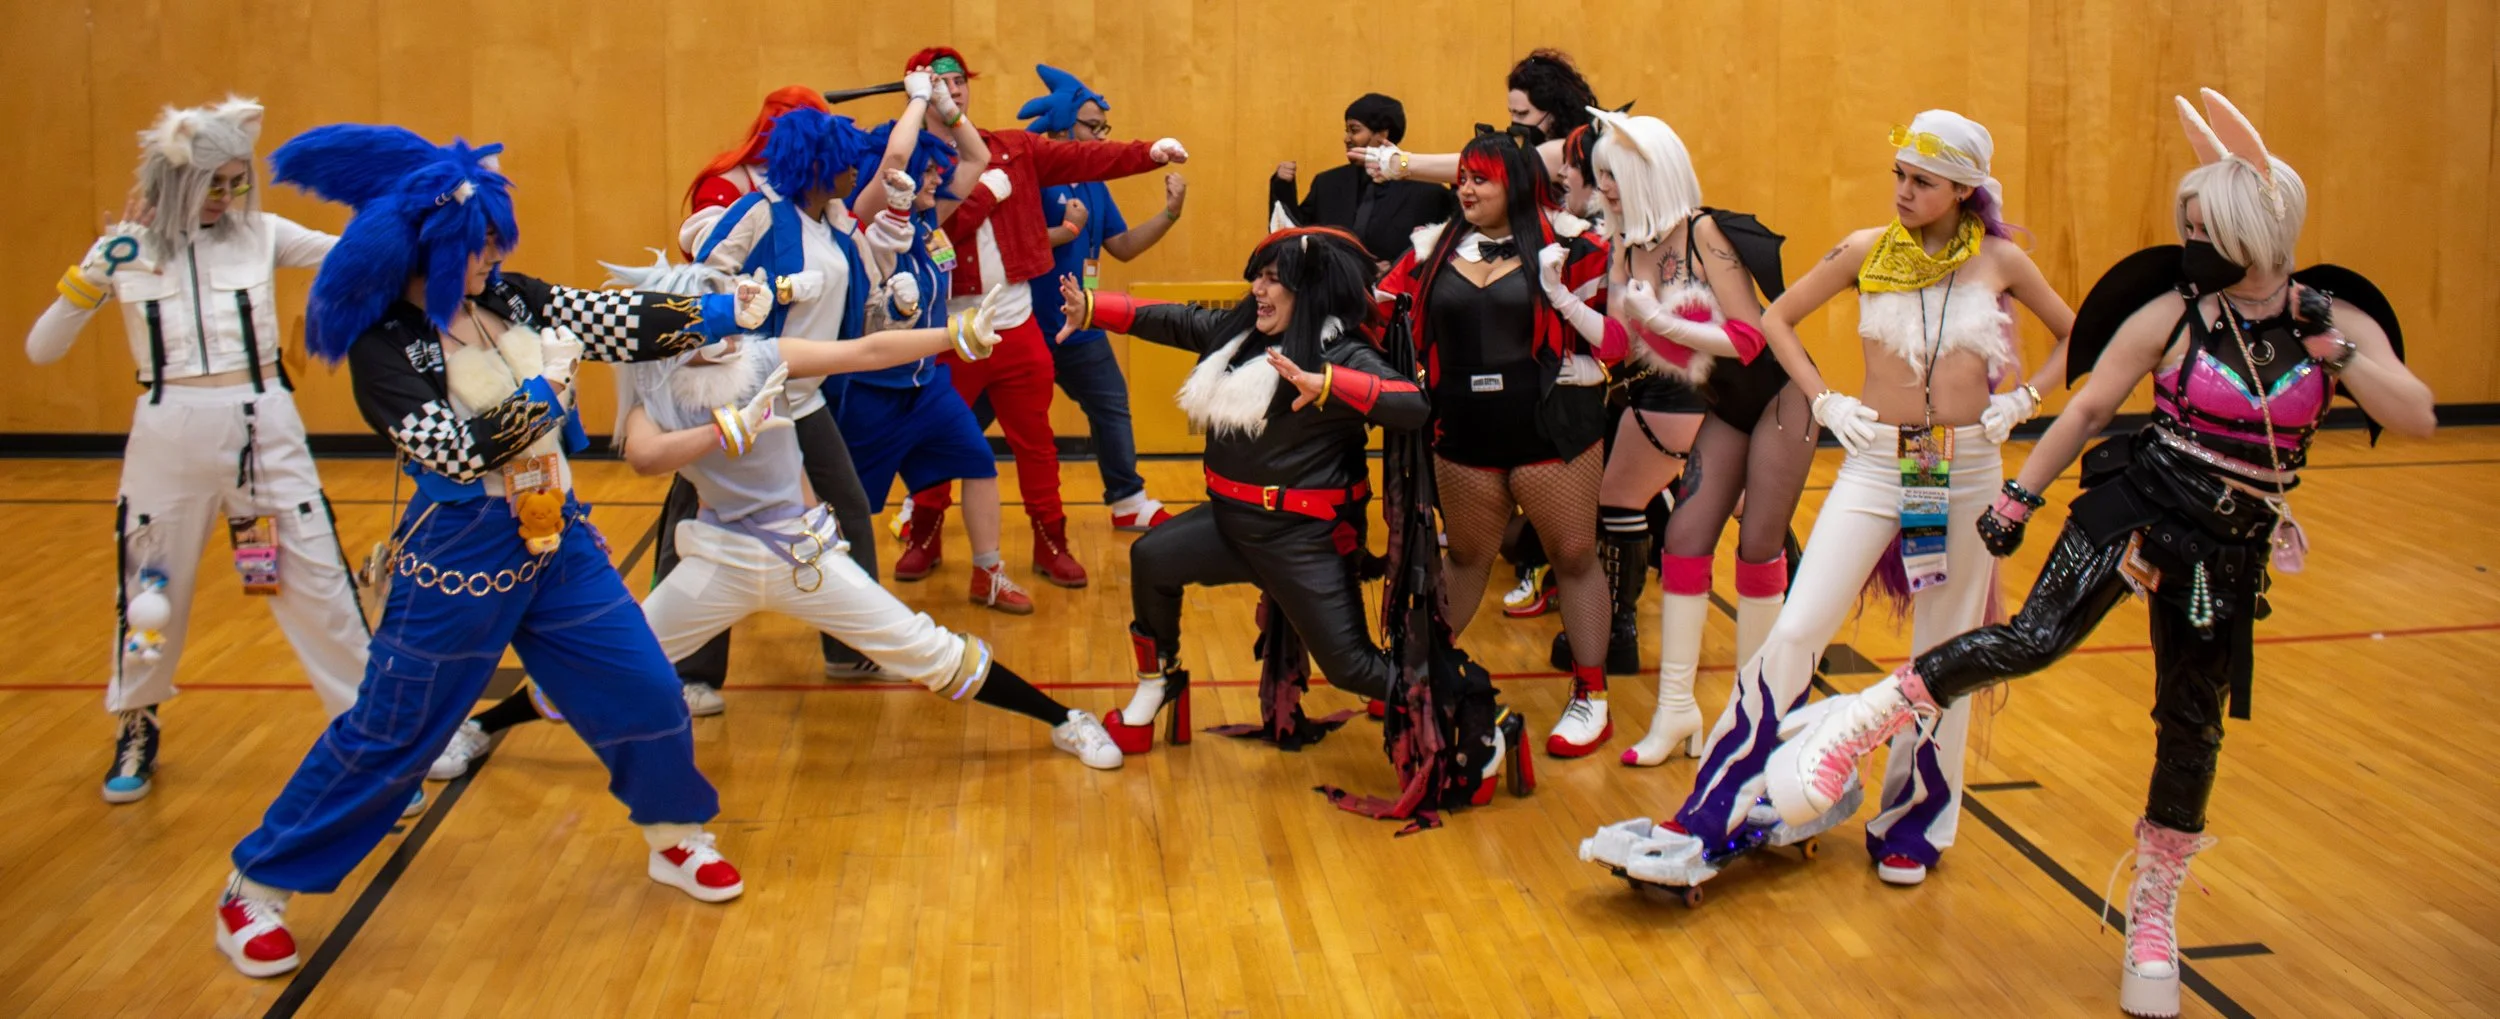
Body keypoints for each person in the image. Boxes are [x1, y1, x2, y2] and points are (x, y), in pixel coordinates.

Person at [1764, 90, 2432, 1019]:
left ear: (2251, 226)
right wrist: (2020, 493)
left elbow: (2415, 413)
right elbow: (2089, 405)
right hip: (2129, 506)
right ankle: (1862, 719)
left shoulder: (2333, 320)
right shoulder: (2174, 311)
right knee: (2033, 637)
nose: (2188, 242)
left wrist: (2337, 347)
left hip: (2223, 548)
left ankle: (2152, 910)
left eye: (2201, 227)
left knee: (2191, 728)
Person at [214, 124, 771, 977]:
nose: (491, 258)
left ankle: (675, 833)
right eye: (475, 246)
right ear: (422, 251)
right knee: (393, 733)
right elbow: (453, 450)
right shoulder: (382, 346)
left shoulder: (507, 296)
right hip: (458, 556)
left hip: (557, 537)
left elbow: (611, 318)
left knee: (646, 687)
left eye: (492, 242)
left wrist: (728, 309)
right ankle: (256, 885)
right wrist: (548, 387)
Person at [1581, 109, 2074, 891]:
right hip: (1876, 462)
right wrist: (1825, 398)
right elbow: (1775, 320)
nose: (1903, 191)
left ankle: (1914, 821)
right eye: (1899, 175)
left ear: (1963, 190)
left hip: (1967, 468)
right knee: (1797, 626)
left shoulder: (2001, 260)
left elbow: (2077, 334)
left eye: (1923, 181)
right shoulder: (1864, 249)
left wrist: (2026, 397)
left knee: (1945, 651)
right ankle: (1721, 799)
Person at [603, 257, 1122, 767]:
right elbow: (644, 457)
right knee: (612, 656)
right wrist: (722, 432)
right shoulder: (657, 401)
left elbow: (865, 351)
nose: (730, 324)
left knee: (931, 652)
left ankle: (1065, 719)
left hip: (804, 557)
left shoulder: (762, 359)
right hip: (720, 561)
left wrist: (953, 334)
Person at [29, 97, 371, 805]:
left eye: (237, 183)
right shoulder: (125, 250)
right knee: (149, 590)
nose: (226, 197)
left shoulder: (262, 234)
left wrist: (418, 208)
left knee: (315, 577)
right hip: (167, 436)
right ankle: (137, 717)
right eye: (213, 182)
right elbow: (43, 348)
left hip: (264, 429)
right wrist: (95, 273)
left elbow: (359, 253)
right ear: (173, 178)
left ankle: (370, 735)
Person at [893, 47, 1191, 590]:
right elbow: (929, 235)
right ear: (917, 91)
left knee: (1037, 443)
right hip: (945, 329)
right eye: (940, 82)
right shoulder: (906, 157)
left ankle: (1051, 543)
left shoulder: (1012, 149)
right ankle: (925, 536)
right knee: (933, 438)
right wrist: (986, 195)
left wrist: (1150, 153)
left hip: (1015, 324)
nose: (953, 90)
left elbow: (1088, 160)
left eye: (960, 81)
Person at [1376, 128, 1621, 758]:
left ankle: (1592, 696)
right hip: (1462, 430)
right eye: (1462, 178)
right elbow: (1378, 313)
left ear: (1514, 183)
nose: (1465, 188)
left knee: (1573, 556)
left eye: (1479, 178)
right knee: (1465, 556)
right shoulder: (1430, 248)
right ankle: (1423, 676)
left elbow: (1618, 332)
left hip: (1552, 430)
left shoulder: (1579, 246)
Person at [1574, 112, 1809, 767]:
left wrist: (1661, 320)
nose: (1604, 188)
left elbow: (1749, 338)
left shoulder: (1704, 232)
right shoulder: (1625, 248)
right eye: (1600, 175)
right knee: (1681, 539)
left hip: (1782, 398)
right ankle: (1676, 709)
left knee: (1758, 544)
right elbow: (1618, 343)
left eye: (1615, 175)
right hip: (1724, 406)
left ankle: (1754, 716)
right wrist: (1561, 305)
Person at [665, 86, 906, 698]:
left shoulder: (837, 224)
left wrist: (895, 307)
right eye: (847, 163)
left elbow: (860, 306)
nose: (856, 173)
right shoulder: (757, 212)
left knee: (847, 509)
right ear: (818, 167)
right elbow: (701, 280)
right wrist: (759, 297)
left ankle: (852, 651)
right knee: (699, 516)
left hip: (804, 397)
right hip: (742, 393)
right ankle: (685, 672)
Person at [1020, 64, 1184, 532]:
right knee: (970, 413)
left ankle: (1128, 500)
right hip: (1026, 326)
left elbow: (1122, 247)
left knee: (1111, 405)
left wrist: (1170, 214)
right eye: (1092, 126)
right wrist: (1065, 230)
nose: (1100, 136)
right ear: (1061, 126)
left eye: (1103, 128)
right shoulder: (1031, 175)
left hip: (1081, 324)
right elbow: (1013, 244)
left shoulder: (1094, 183)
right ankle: (922, 503)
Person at [1268, 93, 1457, 270]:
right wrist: (1283, 187)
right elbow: (1296, 235)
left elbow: (1445, 246)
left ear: (1382, 135)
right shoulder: (1327, 183)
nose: (1346, 138)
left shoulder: (1427, 191)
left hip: (1395, 290)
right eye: (1346, 130)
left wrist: (1396, 269)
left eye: (1354, 130)